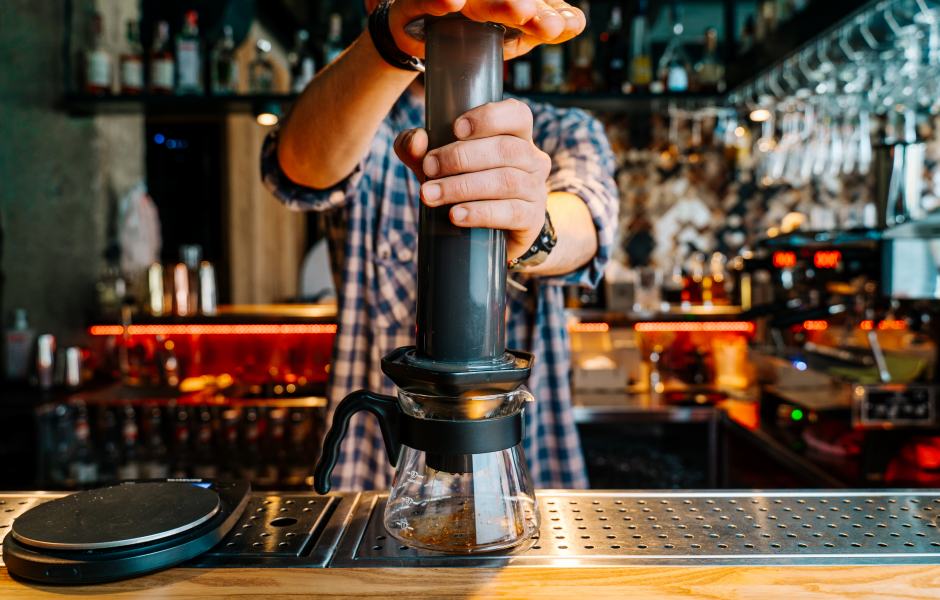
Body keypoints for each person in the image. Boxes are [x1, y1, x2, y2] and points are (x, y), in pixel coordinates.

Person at [262, 0, 618, 490]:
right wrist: (392, 40)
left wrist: (535, 228)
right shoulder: (371, 123)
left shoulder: (562, 131)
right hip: (380, 465)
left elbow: (590, 223)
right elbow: (300, 167)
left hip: (529, 457)